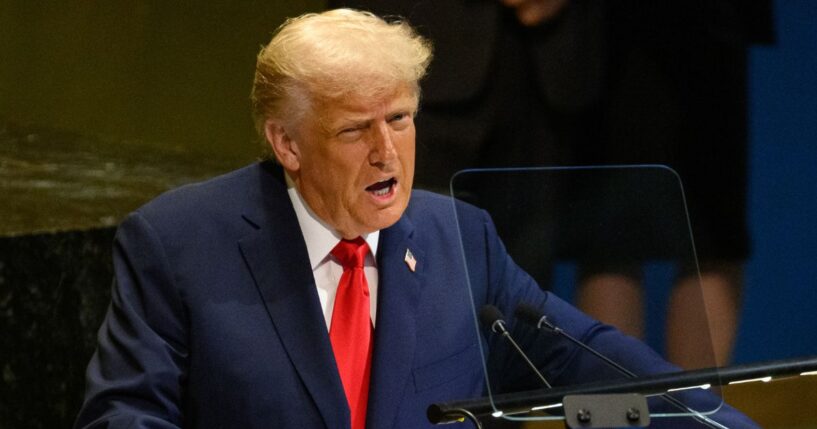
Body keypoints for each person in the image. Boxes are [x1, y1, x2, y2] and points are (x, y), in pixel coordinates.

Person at [74, 9, 758, 429]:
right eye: (353, 131)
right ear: (286, 143)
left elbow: (586, 355)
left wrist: (717, 423)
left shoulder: (457, 237)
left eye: (399, 120)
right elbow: (125, 415)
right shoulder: (180, 243)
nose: (386, 152)